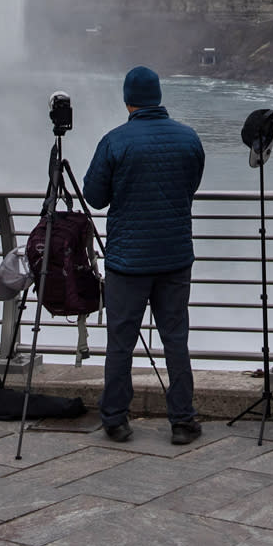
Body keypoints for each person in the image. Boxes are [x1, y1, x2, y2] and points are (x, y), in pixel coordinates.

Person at [81, 65, 205, 445]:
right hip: (174, 258)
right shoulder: (188, 138)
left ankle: (116, 419)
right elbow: (191, 185)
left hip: (127, 262)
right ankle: (182, 421)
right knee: (175, 340)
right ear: (158, 97)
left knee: (121, 343)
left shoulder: (115, 142)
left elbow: (94, 197)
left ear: (128, 101)